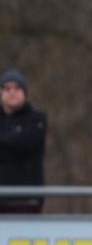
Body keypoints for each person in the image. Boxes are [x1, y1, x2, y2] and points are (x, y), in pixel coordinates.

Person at [0, 70, 47, 214]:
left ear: (25, 93)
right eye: (7, 88)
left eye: (17, 88)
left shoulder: (37, 119)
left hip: (27, 201)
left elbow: (26, 144)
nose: (12, 92)